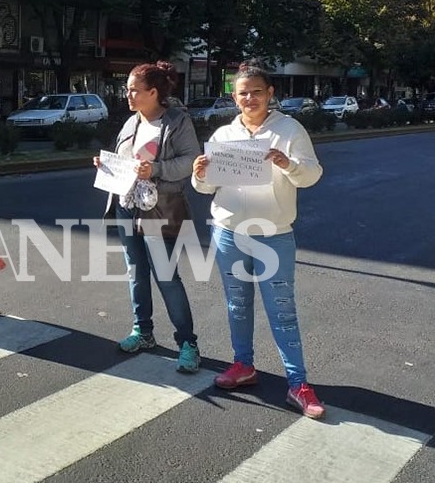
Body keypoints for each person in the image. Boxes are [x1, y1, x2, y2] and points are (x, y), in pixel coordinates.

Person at [191, 61, 325, 419]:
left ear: (270, 94)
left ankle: (298, 383)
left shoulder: (289, 129)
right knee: (237, 305)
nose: (249, 98)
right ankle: (243, 365)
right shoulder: (223, 135)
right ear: (234, 98)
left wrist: (287, 164)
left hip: (273, 235)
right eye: (242, 93)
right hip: (228, 232)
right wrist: (199, 175)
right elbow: (207, 188)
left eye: (256, 91)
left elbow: (311, 175)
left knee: (282, 310)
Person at [93, 61, 202, 373]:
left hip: (160, 209)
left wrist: (155, 169)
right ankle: (143, 331)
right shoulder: (131, 123)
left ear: (154, 92)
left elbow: (190, 161)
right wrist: (106, 165)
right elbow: (124, 161)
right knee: (135, 271)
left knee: (166, 276)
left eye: (134, 90)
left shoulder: (177, 122)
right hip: (127, 206)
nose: (128, 95)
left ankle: (188, 343)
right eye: (127, 89)